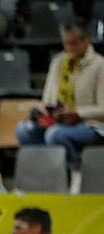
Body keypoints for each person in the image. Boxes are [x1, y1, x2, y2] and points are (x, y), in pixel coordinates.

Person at [15, 18, 104, 181]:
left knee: (55, 135)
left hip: (91, 125)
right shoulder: (58, 62)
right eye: (66, 44)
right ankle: (47, 173)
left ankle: (76, 174)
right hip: (59, 121)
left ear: (86, 40)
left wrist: (76, 111)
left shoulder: (99, 65)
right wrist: (44, 110)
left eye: (74, 43)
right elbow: (47, 98)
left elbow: (102, 109)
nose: (69, 48)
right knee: (23, 129)